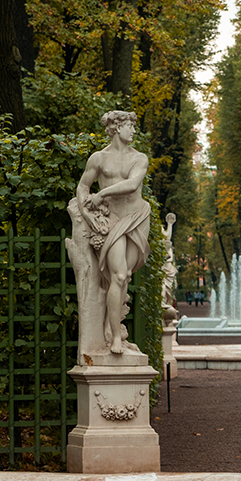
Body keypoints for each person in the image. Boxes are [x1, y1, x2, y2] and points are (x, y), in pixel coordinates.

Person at [76, 110, 151, 354]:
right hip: (111, 221)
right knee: (118, 276)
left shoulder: (139, 158)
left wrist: (102, 194)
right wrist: (87, 215)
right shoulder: (98, 158)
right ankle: (116, 338)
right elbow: (82, 188)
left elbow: (131, 185)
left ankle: (113, 329)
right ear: (117, 128)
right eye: (130, 126)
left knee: (124, 276)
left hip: (136, 217)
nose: (133, 130)